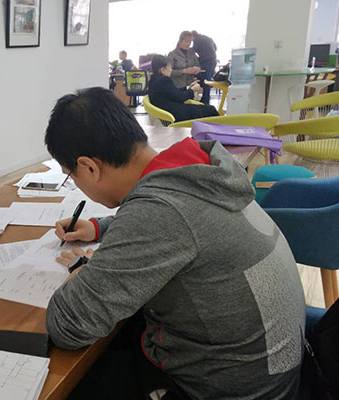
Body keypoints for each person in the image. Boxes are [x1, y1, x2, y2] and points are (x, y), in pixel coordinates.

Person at [44, 87, 305, 399]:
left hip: (231, 389)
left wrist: (81, 276)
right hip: (272, 368)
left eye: (70, 175)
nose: (76, 182)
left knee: (71, 382)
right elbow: (184, 224)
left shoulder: (158, 212)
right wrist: (101, 228)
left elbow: (68, 325)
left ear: (89, 167)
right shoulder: (197, 166)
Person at [148, 54, 218, 122]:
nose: (171, 70)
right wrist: (193, 90)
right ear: (162, 69)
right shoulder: (164, 80)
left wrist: (189, 89)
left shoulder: (153, 81)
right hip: (176, 113)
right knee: (211, 109)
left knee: (206, 108)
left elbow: (174, 94)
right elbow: (180, 98)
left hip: (168, 111)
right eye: (169, 68)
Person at [191, 30, 217, 104]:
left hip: (206, 62)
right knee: (207, 80)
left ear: (193, 36)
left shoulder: (197, 40)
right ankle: (206, 98)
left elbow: (192, 51)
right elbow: (215, 48)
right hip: (213, 60)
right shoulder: (208, 38)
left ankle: (205, 100)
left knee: (205, 80)